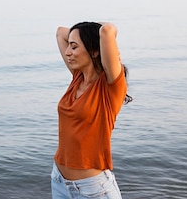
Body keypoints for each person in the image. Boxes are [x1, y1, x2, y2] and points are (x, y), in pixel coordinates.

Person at [51, 21, 132, 199]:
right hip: (59, 182)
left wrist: (94, 34)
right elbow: (60, 32)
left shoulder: (111, 87)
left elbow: (107, 30)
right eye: (69, 46)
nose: (67, 52)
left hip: (93, 190)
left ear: (95, 51)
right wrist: (86, 33)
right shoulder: (77, 77)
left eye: (74, 47)